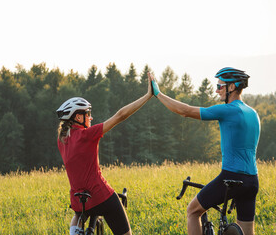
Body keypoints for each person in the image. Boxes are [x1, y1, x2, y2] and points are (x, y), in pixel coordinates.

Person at [150, 67, 260, 235]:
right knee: (246, 232)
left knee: (193, 211)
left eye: (220, 86)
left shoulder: (228, 110)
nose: (217, 90)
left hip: (231, 177)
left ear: (232, 87)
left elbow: (185, 111)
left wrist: (158, 94)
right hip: (252, 181)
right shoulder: (253, 113)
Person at [56, 73, 153, 235]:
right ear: (78, 117)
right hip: (101, 196)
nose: (91, 117)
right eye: (88, 114)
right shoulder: (87, 135)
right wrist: (147, 96)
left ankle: (74, 232)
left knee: (78, 215)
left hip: (79, 201)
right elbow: (120, 115)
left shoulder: (62, 140)